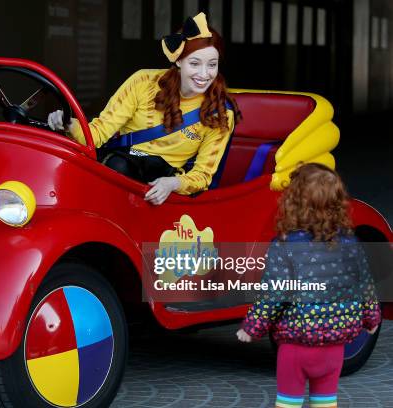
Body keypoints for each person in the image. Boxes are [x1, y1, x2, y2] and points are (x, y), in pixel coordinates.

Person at [48, 12, 240, 205]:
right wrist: (68, 124)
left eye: (212, 65)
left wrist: (172, 183)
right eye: (195, 63)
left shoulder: (220, 112)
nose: (204, 74)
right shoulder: (143, 82)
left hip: (162, 184)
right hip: (120, 166)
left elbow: (203, 176)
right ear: (178, 60)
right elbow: (97, 134)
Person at [236, 163, 381, 408]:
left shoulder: (284, 245)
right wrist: (372, 318)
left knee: (288, 403)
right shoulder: (351, 243)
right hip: (335, 347)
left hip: (296, 346)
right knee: (325, 402)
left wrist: (252, 327)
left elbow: (274, 292)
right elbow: (365, 285)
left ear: (293, 203)